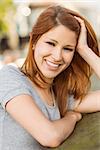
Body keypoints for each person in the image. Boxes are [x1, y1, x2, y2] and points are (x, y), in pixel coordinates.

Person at [0, 5, 100, 150]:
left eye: (68, 48)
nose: (57, 56)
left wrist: (84, 50)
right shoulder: (9, 77)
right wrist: (72, 118)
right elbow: (49, 136)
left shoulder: (61, 96)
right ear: (33, 41)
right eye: (50, 43)